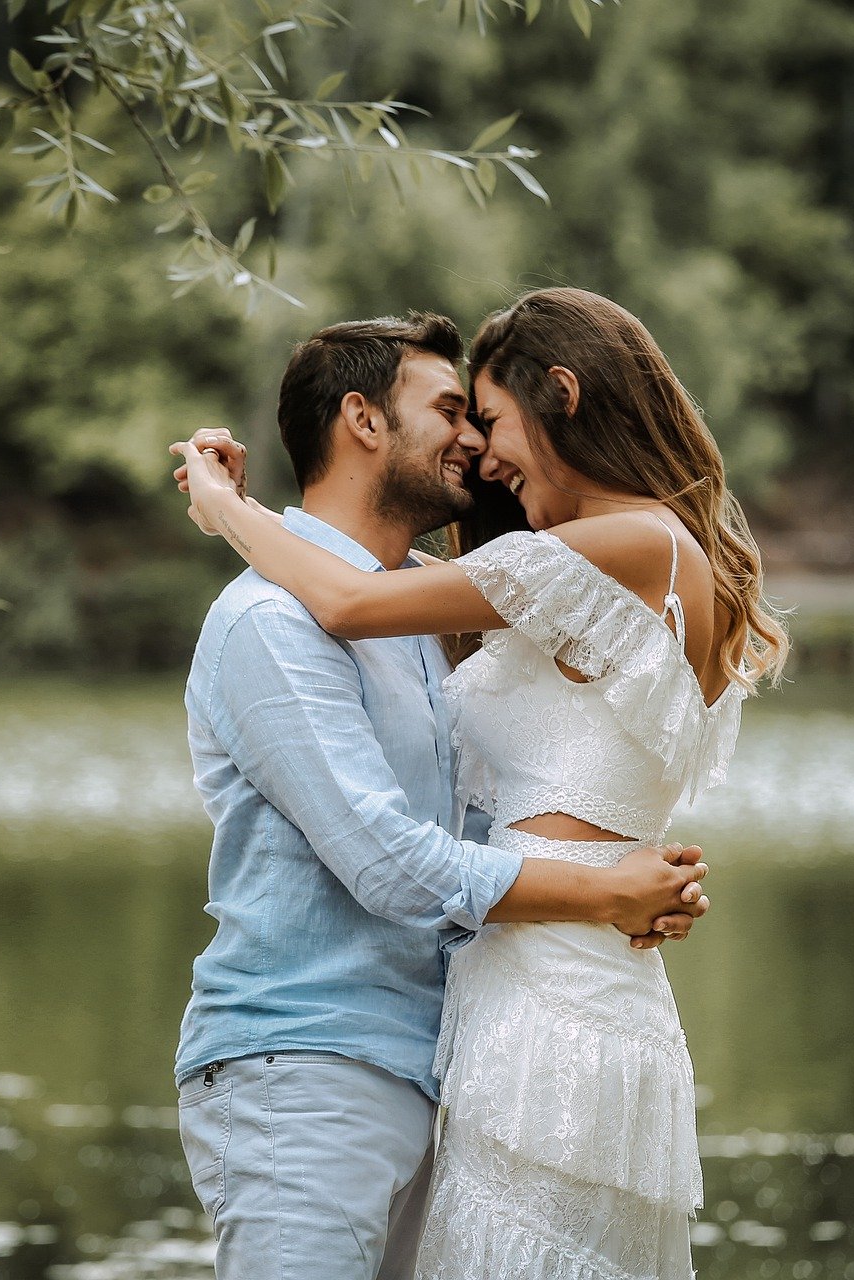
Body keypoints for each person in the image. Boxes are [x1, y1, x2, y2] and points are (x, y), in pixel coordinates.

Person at [174, 287, 788, 1280]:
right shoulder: (297, 621)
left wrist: (225, 508)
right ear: (361, 419)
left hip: (531, 1001)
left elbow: (352, 599)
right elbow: (416, 831)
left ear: (564, 396)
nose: (479, 448)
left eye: (487, 417)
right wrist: (611, 885)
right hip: (388, 1035)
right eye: (455, 414)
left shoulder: (618, 547)